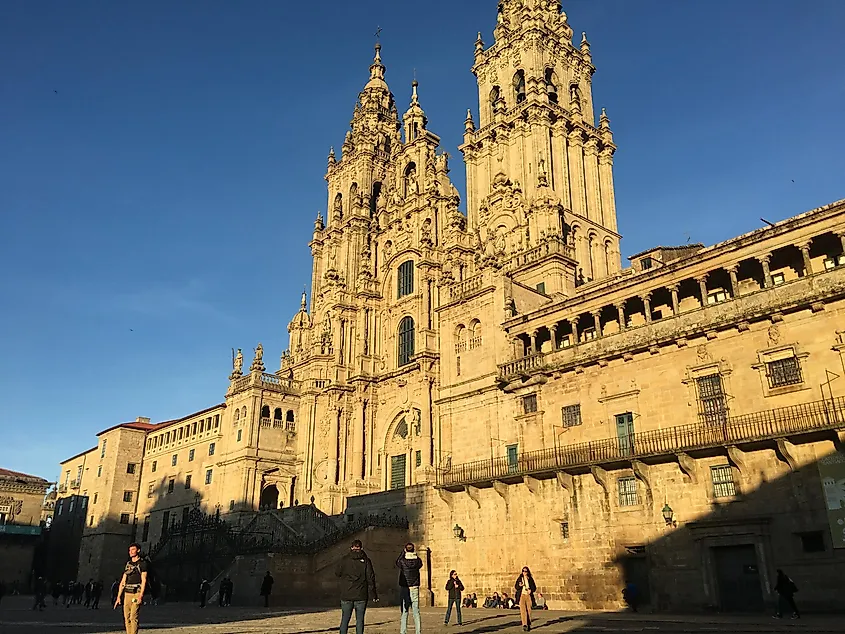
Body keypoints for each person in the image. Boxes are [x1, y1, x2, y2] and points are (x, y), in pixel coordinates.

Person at [335, 539, 379, 634]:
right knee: (360, 620)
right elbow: (370, 578)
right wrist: (374, 594)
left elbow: (337, 573)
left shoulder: (344, 560)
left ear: (351, 548)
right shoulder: (366, 561)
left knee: (345, 619)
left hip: (347, 593)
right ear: (361, 548)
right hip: (361, 594)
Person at [114, 543, 148, 634]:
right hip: (127, 593)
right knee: (127, 617)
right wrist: (118, 597)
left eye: (133, 549)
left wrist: (141, 595)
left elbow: (144, 580)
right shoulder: (128, 564)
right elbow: (123, 581)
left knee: (133, 616)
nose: (130, 552)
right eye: (130, 550)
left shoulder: (142, 564)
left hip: (136, 592)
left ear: (138, 550)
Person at [396, 543, 423, 634]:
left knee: (405, 610)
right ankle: (418, 631)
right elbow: (420, 564)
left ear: (405, 550)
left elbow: (397, 562)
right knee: (416, 610)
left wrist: (402, 553)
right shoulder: (417, 561)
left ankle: (403, 631)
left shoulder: (402, 561)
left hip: (405, 587)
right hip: (414, 586)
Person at [515, 566, 537, 632]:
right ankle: (524, 624)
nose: (524, 572)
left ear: (528, 572)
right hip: (522, 595)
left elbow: (534, 587)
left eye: (526, 571)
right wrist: (519, 585)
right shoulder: (519, 578)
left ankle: (529, 623)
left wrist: (531, 590)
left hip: (528, 595)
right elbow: (516, 587)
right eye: (523, 571)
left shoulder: (530, 579)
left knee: (529, 610)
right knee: (523, 610)